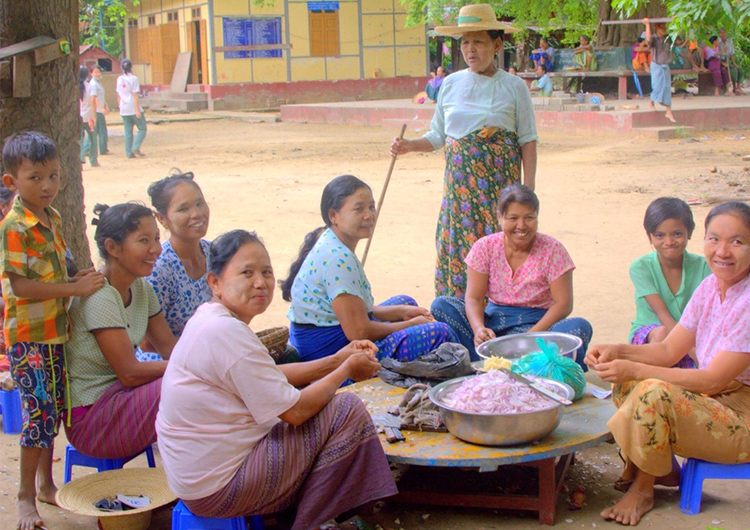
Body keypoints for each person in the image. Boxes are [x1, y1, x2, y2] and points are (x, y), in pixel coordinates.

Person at [156, 229, 397, 529]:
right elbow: (295, 412)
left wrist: (338, 359)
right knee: (346, 409)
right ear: (214, 282)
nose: (261, 283)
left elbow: (267, 376)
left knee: (321, 408)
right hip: (218, 488)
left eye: (266, 272)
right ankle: (309, 521)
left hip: (199, 479)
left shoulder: (212, 319)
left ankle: (311, 512)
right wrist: (345, 371)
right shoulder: (225, 332)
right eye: (247, 273)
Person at [586, 201, 750, 526]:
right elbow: (668, 352)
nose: (722, 251)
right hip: (715, 402)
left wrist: (635, 368)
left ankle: (644, 488)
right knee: (629, 382)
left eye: (737, 241)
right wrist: (618, 350)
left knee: (653, 391)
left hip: (742, 417)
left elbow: (713, 381)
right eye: (714, 239)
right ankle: (663, 469)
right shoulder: (710, 287)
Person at [391, 3, 538, 297]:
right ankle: (458, 315)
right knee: (459, 249)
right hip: (459, 197)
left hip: (500, 193)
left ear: (496, 44)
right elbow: (438, 135)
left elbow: (528, 141)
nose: (470, 49)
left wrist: (527, 194)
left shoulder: (513, 87)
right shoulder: (450, 84)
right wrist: (410, 146)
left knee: (502, 247)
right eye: (465, 42)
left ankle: (502, 316)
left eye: (478, 41)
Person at [0, 132, 105, 530]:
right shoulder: (14, 225)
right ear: (12, 182)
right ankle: (25, 497)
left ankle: (45, 484)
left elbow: (53, 272)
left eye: (54, 176)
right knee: (37, 415)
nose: (47, 186)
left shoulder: (54, 217)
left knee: (55, 410)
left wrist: (76, 277)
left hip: (56, 333)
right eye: (36, 178)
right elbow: (21, 286)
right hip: (29, 336)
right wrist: (73, 289)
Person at [282, 175, 458, 362]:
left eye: (371, 207)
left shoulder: (331, 242)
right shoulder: (338, 258)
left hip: (334, 334)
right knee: (439, 333)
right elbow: (359, 331)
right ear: (333, 215)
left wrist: (402, 313)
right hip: (331, 355)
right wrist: (410, 324)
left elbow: (355, 310)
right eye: (359, 209)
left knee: (406, 302)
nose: (369, 215)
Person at [431, 184, 593, 365]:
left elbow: (563, 304)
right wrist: (479, 329)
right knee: (442, 305)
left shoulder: (553, 250)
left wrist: (531, 336)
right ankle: (484, 362)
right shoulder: (485, 247)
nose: (521, 226)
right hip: (494, 326)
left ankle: (508, 364)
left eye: (529, 218)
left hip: (539, 328)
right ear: (499, 218)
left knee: (578, 328)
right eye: (513, 218)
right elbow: (474, 299)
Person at [64, 203, 177, 460]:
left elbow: (169, 347)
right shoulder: (99, 296)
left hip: (122, 403)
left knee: (195, 379)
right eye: (143, 240)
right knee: (183, 383)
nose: (155, 249)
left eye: (157, 238)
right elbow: (129, 373)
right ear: (112, 248)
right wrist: (192, 364)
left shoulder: (142, 289)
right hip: (93, 421)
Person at [628, 198, 711, 368]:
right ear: (649, 237)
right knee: (662, 333)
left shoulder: (705, 267)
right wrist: (695, 354)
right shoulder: (641, 267)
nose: (669, 242)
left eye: (677, 234)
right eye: (660, 235)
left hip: (692, 337)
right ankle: (647, 380)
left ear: (690, 232)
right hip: (654, 333)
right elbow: (663, 315)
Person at [144, 171, 211, 359]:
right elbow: (147, 343)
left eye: (200, 203)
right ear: (162, 219)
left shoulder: (215, 253)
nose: (197, 214)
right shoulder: (159, 269)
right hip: (169, 365)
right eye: (183, 209)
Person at [643, 18, 677, 123]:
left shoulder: (669, 38)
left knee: (666, 88)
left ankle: (668, 111)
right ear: (656, 28)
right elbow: (648, 40)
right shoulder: (653, 38)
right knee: (657, 86)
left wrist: (677, 21)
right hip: (656, 65)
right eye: (662, 28)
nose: (664, 30)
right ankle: (651, 103)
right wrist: (647, 25)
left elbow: (679, 39)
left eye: (665, 27)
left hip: (665, 65)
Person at [116, 58, 147, 158]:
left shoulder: (119, 79)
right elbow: (135, 95)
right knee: (142, 128)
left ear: (121, 67)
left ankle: (129, 153)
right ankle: (135, 147)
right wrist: (137, 110)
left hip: (124, 107)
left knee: (128, 132)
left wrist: (119, 107)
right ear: (131, 67)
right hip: (132, 106)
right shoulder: (134, 79)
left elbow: (118, 94)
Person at [87, 65, 110, 155]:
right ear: (91, 73)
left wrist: (106, 105)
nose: (97, 74)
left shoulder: (98, 83)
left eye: (98, 72)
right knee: (102, 130)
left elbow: (101, 96)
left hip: (100, 109)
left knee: (95, 130)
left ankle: (86, 149)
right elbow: (94, 98)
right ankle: (103, 149)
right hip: (97, 110)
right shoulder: (93, 84)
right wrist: (101, 108)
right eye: (95, 72)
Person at [79, 66, 99, 167]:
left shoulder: (75, 87)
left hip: (79, 116)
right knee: (93, 139)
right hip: (89, 117)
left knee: (79, 139)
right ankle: (93, 160)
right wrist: (94, 117)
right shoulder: (90, 86)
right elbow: (92, 101)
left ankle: (80, 158)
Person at [719, 28, 744, 96]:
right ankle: (734, 86)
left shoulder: (729, 42)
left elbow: (731, 54)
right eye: (722, 33)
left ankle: (739, 86)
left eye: (724, 32)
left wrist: (734, 63)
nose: (723, 34)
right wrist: (723, 63)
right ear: (719, 34)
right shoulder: (718, 42)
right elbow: (716, 55)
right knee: (734, 70)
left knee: (740, 70)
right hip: (722, 60)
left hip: (728, 59)